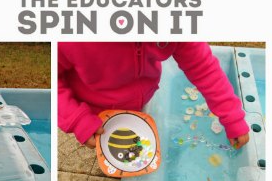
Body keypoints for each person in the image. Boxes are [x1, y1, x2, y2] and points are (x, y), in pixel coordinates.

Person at [58, 42, 250, 151]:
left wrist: (232, 116)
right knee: (111, 151)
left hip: (140, 99)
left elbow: (203, 67)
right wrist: (78, 120)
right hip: (96, 113)